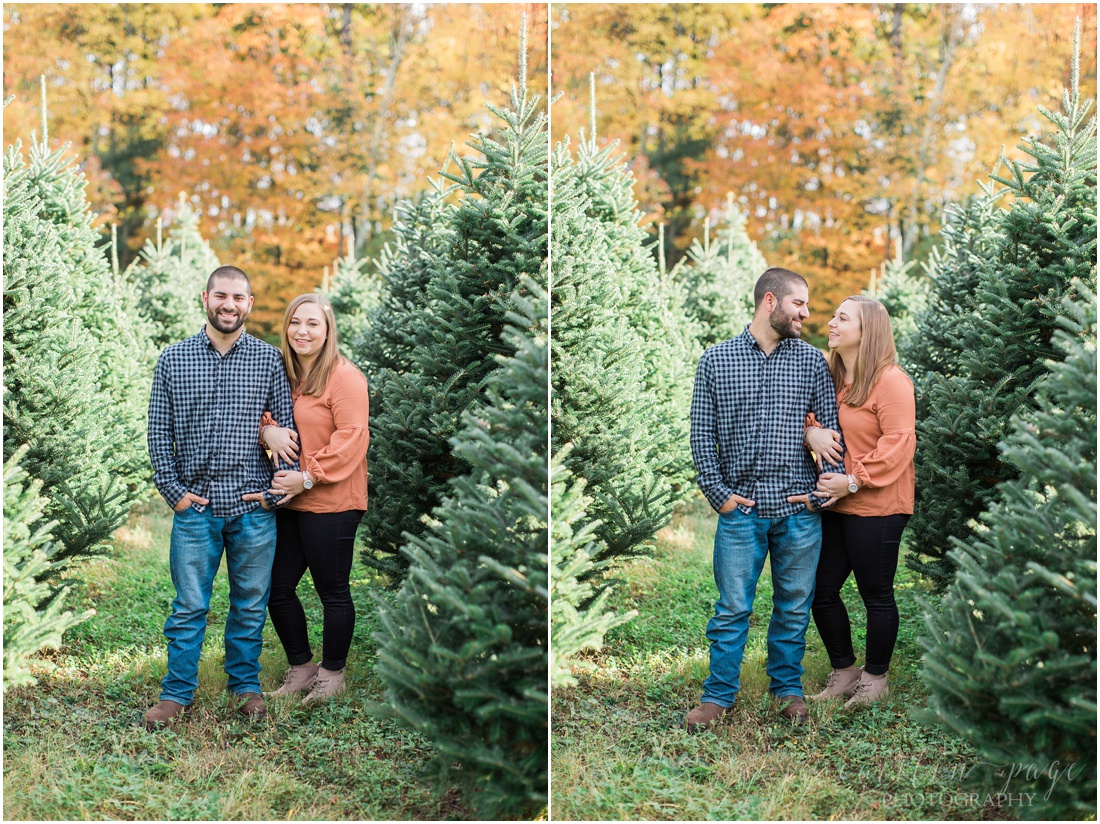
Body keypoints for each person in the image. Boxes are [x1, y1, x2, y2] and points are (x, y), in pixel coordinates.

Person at [685, 267, 845, 731]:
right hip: (742, 510)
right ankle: (718, 697)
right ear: (770, 301)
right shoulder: (716, 360)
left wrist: (821, 497)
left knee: (793, 605)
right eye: (800, 304)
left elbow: (830, 435)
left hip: (797, 511)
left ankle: (786, 690)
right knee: (733, 607)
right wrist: (720, 496)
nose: (807, 314)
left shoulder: (812, 362)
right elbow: (702, 434)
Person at [145, 266, 297, 730]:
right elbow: (158, 434)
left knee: (250, 603)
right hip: (197, 508)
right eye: (221, 296)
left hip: (252, 509)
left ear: (249, 304)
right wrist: (175, 494)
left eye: (238, 297)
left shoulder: (269, 361)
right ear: (206, 298)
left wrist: (275, 496)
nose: (228, 305)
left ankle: (245, 688)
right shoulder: (173, 360)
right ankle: (176, 693)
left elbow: (287, 436)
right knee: (190, 605)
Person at [244, 293, 370, 704]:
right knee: (276, 588)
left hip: (332, 502)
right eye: (295, 322)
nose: (302, 331)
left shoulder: (344, 377)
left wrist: (308, 476)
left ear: (328, 329)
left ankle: (333, 674)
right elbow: (261, 414)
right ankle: (301, 668)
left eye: (312, 323)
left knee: (331, 590)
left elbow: (352, 440)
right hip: (289, 502)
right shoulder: (284, 374)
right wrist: (268, 432)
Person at [791, 296, 916, 706]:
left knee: (875, 593)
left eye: (842, 318)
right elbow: (810, 416)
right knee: (819, 590)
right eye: (833, 316)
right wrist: (811, 434)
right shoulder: (833, 376)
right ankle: (845, 672)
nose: (829, 322)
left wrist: (853, 480)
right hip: (837, 503)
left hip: (878, 505)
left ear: (867, 331)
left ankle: (875, 679)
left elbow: (898, 446)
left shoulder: (891, 381)